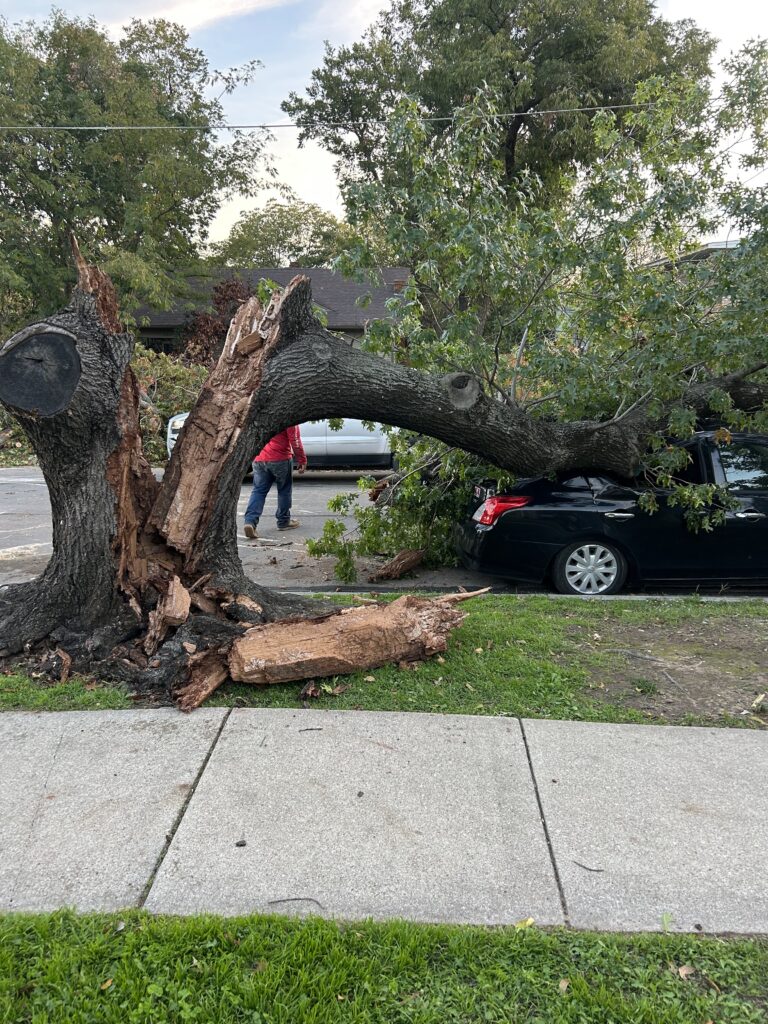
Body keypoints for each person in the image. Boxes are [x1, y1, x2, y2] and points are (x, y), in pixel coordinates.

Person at [243, 425, 307, 539]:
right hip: (280, 458)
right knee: (284, 490)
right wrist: (302, 459)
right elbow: (295, 440)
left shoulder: (261, 412)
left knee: (258, 491)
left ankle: (250, 522)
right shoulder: (290, 414)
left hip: (259, 458)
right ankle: (283, 521)